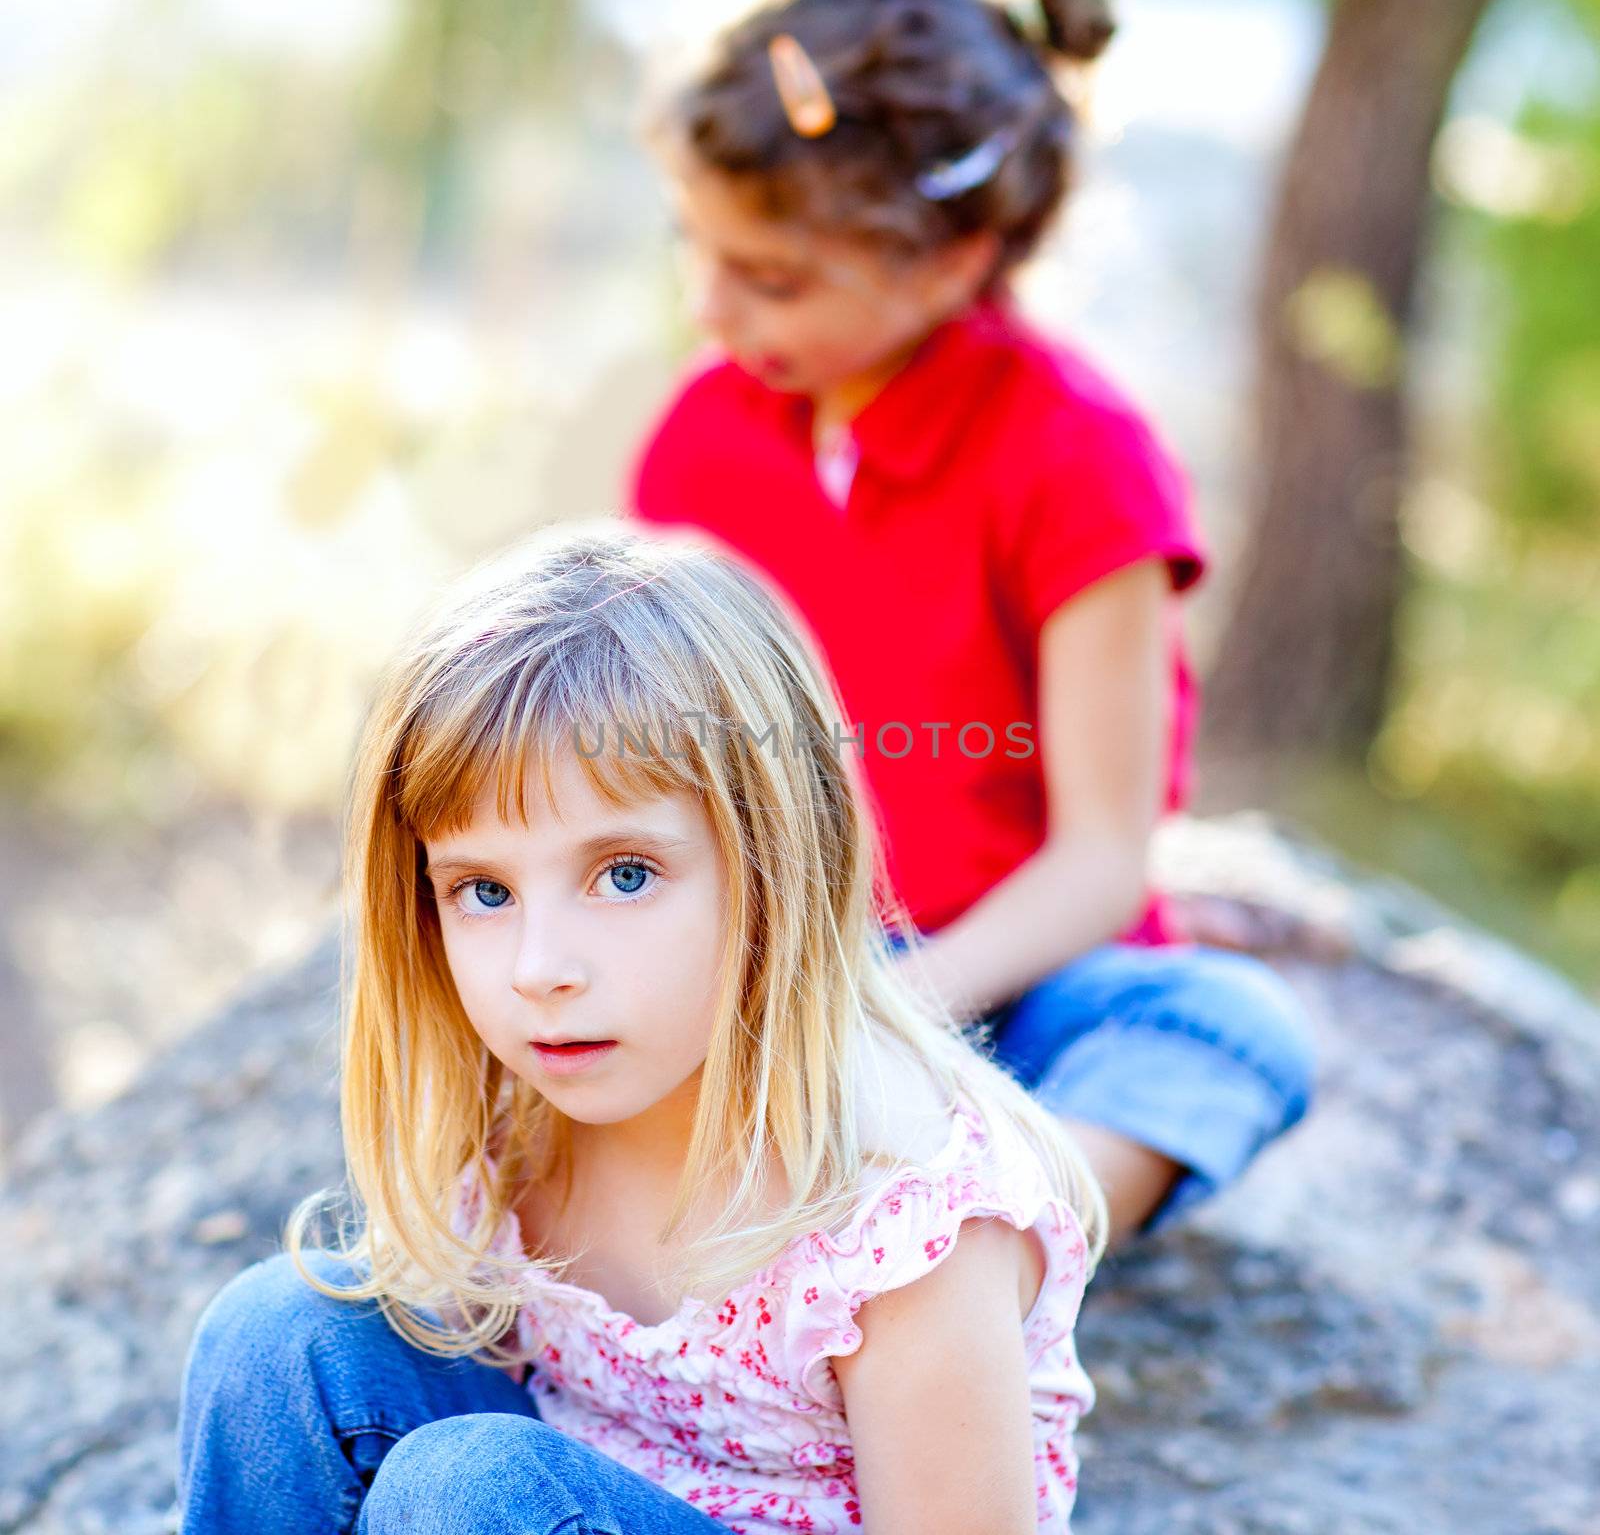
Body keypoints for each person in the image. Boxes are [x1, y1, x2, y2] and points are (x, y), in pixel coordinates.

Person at [176, 522, 1107, 1534]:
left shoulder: (899, 1213)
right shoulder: (521, 1126)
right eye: (482, 889)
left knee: (472, 1492)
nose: (541, 969)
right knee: (282, 1333)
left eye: (624, 875)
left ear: (776, 857)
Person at [626, 0, 1315, 1244]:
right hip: (771, 968)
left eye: (769, 279)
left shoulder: (1079, 463)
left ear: (953, 258)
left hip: (1009, 983)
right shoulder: (701, 440)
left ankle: (985, 1265)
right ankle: (801, 1215)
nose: (710, 308)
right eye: (694, 248)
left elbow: (1104, 855)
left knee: (1227, 1031)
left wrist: (891, 1018)